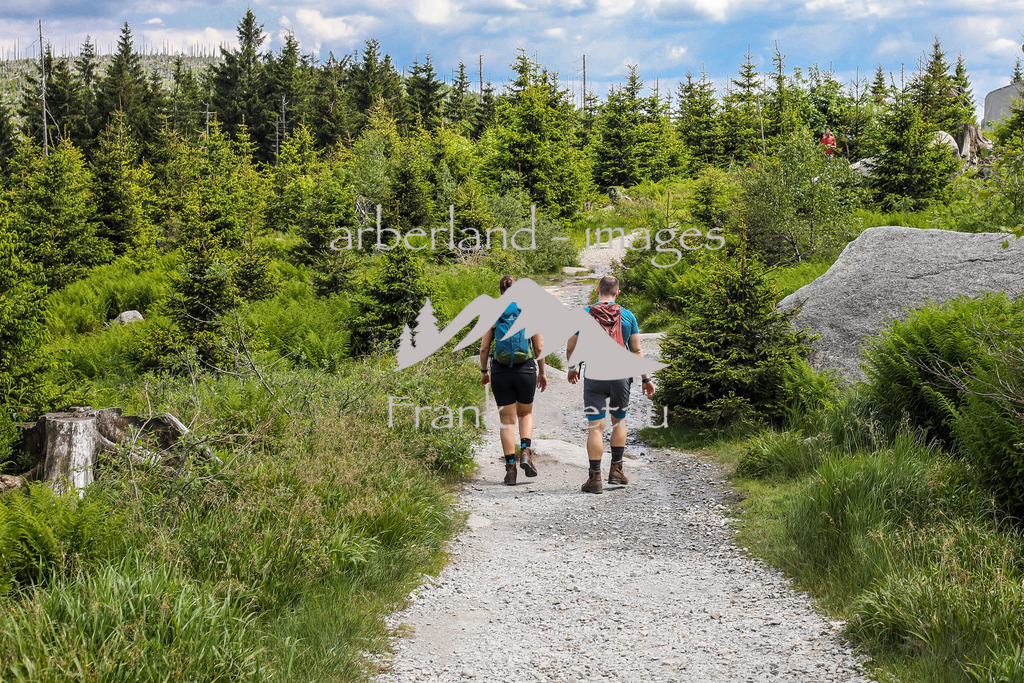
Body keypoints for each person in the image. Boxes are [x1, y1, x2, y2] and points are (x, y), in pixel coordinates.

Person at [565, 275, 655, 494]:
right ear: (618, 293)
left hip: (595, 374)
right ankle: (616, 470)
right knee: (619, 422)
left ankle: (594, 478)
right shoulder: (628, 315)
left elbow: (571, 345)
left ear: (597, 290)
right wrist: (646, 378)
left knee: (595, 427)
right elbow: (636, 351)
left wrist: (572, 368)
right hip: (620, 375)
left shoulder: (585, 314)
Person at [480, 275, 548, 486]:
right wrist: (542, 371)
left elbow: (484, 348)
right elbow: (538, 348)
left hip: (500, 371)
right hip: (525, 370)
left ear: (500, 291)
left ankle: (510, 469)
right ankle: (525, 452)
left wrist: (484, 371)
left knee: (506, 421)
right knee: (525, 413)